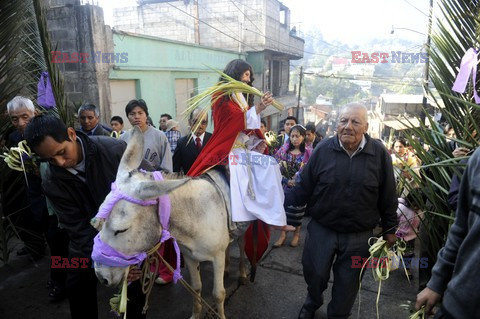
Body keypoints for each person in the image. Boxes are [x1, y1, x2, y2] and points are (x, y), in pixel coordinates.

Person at [24, 115, 146, 319]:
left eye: (62, 152)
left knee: (134, 287)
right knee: (77, 283)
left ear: (71, 134)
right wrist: (110, 260)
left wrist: (126, 258)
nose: (60, 163)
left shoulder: (114, 150)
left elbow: (147, 183)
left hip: (128, 235)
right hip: (87, 243)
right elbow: (77, 228)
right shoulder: (51, 180)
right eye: (50, 159)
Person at [285, 103, 398, 319]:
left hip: (360, 234)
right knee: (315, 273)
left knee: (348, 284)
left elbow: (388, 195)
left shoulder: (379, 155)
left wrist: (390, 229)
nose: (348, 126)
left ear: (366, 126)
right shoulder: (323, 149)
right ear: (337, 124)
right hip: (322, 228)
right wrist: (276, 207)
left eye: (355, 122)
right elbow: (304, 186)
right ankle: (313, 301)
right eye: (343, 121)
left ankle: (337, 314)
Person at [187, 59, 294, 231]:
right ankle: (254, 217)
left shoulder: (239, 96)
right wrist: (258, 108)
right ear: (235, 73)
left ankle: (274, 217)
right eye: (246, 75)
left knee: (271, 165)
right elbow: (232, 121)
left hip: (242, 148)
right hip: (229, 149)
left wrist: (256, 140)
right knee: (261, 168)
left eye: (249, 76)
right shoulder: (221, 95)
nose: (248, 79)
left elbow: (246, 125)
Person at [415, 148, 480, 319]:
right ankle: (425, 288)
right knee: (427, 250)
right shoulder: (448, 146)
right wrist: (453, 161)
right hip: (435, 207)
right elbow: (426, 168)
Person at [274, 124, 312, 247]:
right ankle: (283, 235)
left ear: (303, 137)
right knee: (284, 211)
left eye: (297, 136)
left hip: (300, 188)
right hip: (285, 186)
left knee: (297, 213)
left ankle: (296, 234)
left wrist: (298, 179)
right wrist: (285, 180)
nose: (295, 139)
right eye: (292, 136)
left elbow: (310, 170)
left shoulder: (308, 153)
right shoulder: (283, 151)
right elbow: (275, 167)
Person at [120, 99, 172, 172]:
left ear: (146, 115)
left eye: (140, 113)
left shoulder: (159, 136)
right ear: (127, 117)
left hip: (154, 181)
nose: (136, 117)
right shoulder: (123, 138)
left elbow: (167, 167)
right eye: (132, 114)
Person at [173, 108, 212, 174]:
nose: (199, 126)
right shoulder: (182, 143)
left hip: (209, 182)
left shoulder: (212, 140)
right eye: (196, 121)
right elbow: (176, 170)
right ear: (190, 122)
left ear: (207, 123)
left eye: (203, 122)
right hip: (190, 182)